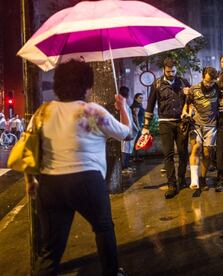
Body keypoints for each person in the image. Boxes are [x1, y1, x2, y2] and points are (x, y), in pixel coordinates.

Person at [24, 59, 130, 275]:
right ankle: (111, 272)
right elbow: (126, 133)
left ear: (58, 84)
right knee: (103, 228)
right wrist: (123, 108)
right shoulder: (90, 112)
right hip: (87, 182)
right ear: (87, 86)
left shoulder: (43, 112)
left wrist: (30, 181)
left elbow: (29, 148)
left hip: (50, 184)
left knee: (51, 249)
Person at [142, 58, 190, 199]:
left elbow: (192, 102)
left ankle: (181, 179)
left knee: (182, 152)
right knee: (168, 154)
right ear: (164, 69)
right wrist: (146, 126)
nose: (171, 74)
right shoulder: (156, 84)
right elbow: (150, 106)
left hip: (181, 122)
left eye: (173, 71)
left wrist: (189, 94)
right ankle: (171, 184)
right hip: (165, 122)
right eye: (168, 71)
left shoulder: (183, 82)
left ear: (176, 69)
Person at [184, 67, 219, 190]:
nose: (209, 84)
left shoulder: (218, 87)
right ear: (203, 77)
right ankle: (194, 180)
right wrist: (186, 113)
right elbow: (187, 105)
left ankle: (203, 178)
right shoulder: (194, 89)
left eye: (212, 82)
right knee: (196, 147)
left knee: (207, 153)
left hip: (212, 125)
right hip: (196, 124)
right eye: (207, 81)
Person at [119, 86, 138, 174]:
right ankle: (124, 167)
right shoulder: (122, 104)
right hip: (125, 130)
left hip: (127, 129)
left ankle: (126, 165)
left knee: (127, 148)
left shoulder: (124, 104)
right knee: (125, 149)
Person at [130, 93, 145, 161]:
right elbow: (135, 117)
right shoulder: (136, 106)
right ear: (136, 98)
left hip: (138, 125)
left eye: (142, 98)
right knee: (137, 142)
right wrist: (138, 127)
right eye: (140, 98)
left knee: (137, 141)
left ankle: (136, 156)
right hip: (137, 126)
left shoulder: (138, 105)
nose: (141, 99)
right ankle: (136, 157)